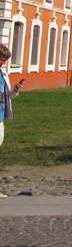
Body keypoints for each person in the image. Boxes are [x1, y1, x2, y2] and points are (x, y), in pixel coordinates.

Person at [0, 44, 22, 198]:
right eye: (2, 59)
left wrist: (14, 92)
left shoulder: (3, 74)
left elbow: (5, 96)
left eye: (5, 60)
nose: (3, 63)